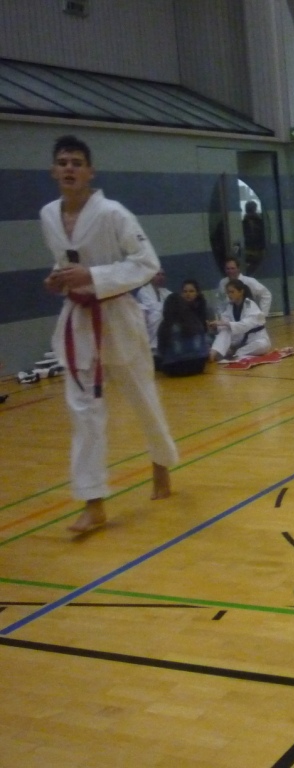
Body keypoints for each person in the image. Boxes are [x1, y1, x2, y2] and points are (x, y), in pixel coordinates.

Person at [40, 134, 179, 533]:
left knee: (143, 398)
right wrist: (58, 280)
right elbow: (65, 262)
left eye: (76, 162)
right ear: (53, 171)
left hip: (117, 315)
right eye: (63, 162)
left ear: (90, 171)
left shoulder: (113, 213)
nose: (69, 168)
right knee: (83, 412)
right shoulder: (48, 215)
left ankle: (161, 462)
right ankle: (93, 501)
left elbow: (147, 264)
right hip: (78, 320)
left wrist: (94, 275)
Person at [208, 278, 271, 362]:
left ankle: (235, 353)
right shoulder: (230, 307)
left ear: (241, 292)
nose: (229, 295)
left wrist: (225, 323)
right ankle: (214, 352)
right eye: (228, 292)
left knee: (262, 345)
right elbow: (223, 322)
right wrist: (217, 326)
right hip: (239, 339)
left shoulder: (250, 305)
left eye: (232, 292)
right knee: (225, 329)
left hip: (256, 340)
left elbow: (245, 325)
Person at [156, 293, 209, 376]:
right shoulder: (195, 320)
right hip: (198, 365)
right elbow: (204, 344)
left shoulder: (165, 325)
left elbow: (161, 350)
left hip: (174, 368)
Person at [135, 268, 172, 359]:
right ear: (151, 276)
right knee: (157, 315)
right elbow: (153, 308)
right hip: (149, 324)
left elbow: (174, 302)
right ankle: (153, 346)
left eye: (163, 274)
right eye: (157, 274)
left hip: (162, 325)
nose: (161, 277)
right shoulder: (143, 291)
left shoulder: (165, 291)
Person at [241, 201, 267, 275]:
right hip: (259, 251)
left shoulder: (242, 223)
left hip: (248, 252)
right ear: (255, 209)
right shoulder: (261, 222)